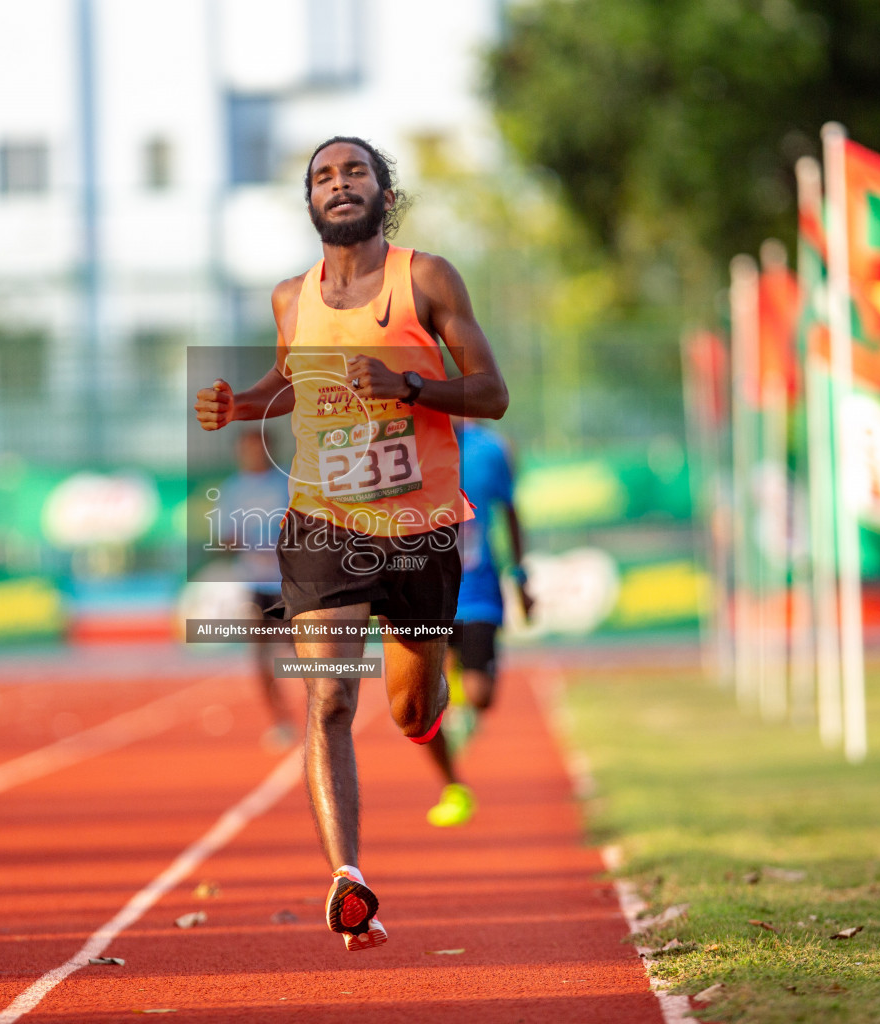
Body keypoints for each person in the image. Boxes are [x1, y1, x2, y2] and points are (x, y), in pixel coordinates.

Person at [193, 136, 509, 951]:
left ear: (382, 192)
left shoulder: (427, 278)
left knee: (411, 707)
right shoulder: (291, 298)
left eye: (355, 172)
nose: (340, 185)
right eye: (324, 177)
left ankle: (435, 720)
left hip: (421, 530)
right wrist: (242, 405)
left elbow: (493, 392)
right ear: (309, 202)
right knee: (331, 698)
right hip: (323, 523)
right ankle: (349, 879)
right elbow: (289, 382)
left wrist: (409, 384)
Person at [424, 419, 534, 827]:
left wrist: (520, 577)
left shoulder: (490, 449)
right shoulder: (408, 440)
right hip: (427, 598)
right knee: (419, 701)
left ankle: (462, 713)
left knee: (482, 695)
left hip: (478, 593)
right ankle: (453, 783)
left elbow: (510, 511)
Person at [212, 427, 296, 749]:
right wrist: (242, 540)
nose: (253, 455)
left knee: (301, 652)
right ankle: (280, 720)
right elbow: (224, 538)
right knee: (260, 658)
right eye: (246, 450)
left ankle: (319, 712)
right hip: (254, 584)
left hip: (289, 583)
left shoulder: (286, 482)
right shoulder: (232, 489)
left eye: (258, 449)